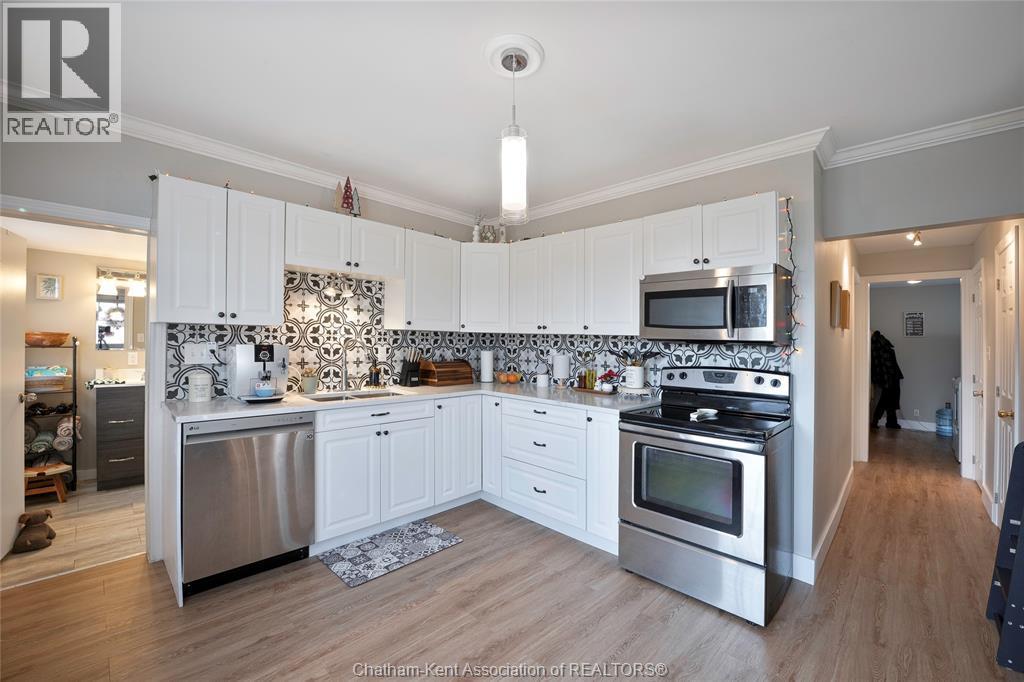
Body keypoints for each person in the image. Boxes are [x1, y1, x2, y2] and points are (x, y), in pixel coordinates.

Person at [871, 331, 904, 428]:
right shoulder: (882, 346)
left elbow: (881, 366)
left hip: (889, 377)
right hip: (890, 377)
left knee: (889, 399)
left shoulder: (877, 347)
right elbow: (886, 365)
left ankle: (890, 422)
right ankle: (878, 421)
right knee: (886, 399)